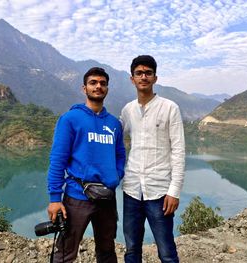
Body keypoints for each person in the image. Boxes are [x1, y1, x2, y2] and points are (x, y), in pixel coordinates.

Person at [47, 67, 126, 263]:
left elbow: (120, 154)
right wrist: (55, 198)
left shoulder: (114, 124)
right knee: (65, 253)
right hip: (77, 196)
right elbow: (58, 159)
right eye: (93, 83)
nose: (98, 86)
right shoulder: (70, 119)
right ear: (84, 88)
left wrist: (115, 176)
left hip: (106, 197)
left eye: (102, 83)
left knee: (107, 250)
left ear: (107, 88)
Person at [120, 55, 185, 263]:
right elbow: (114, 140)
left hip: (159, 193)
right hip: (131, 190)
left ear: (155, 78)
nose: (144, 77)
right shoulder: (128, 110)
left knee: (166, 251)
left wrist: (174, 191)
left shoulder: (169, 108)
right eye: (139, 73)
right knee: (132, 250)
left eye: (148, 73)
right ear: (132, 79)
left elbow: (178, 151)